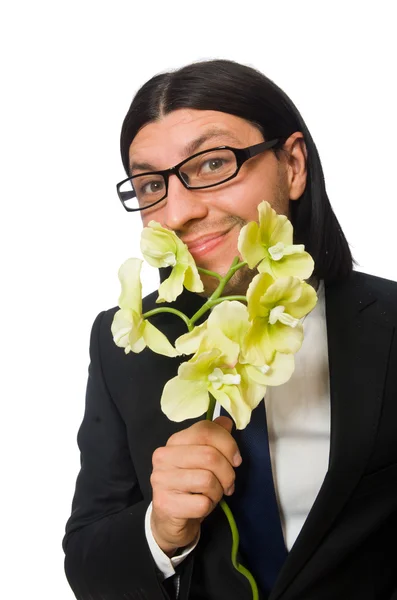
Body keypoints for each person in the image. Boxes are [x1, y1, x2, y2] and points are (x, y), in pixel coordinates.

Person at [63, 59, 397, 600]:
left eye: (213, 163)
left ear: (292, 165)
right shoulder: (127, 340)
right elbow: (87, 564)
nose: (179, 212)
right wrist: (161, 529)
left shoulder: (390, 324)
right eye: (151, 184)